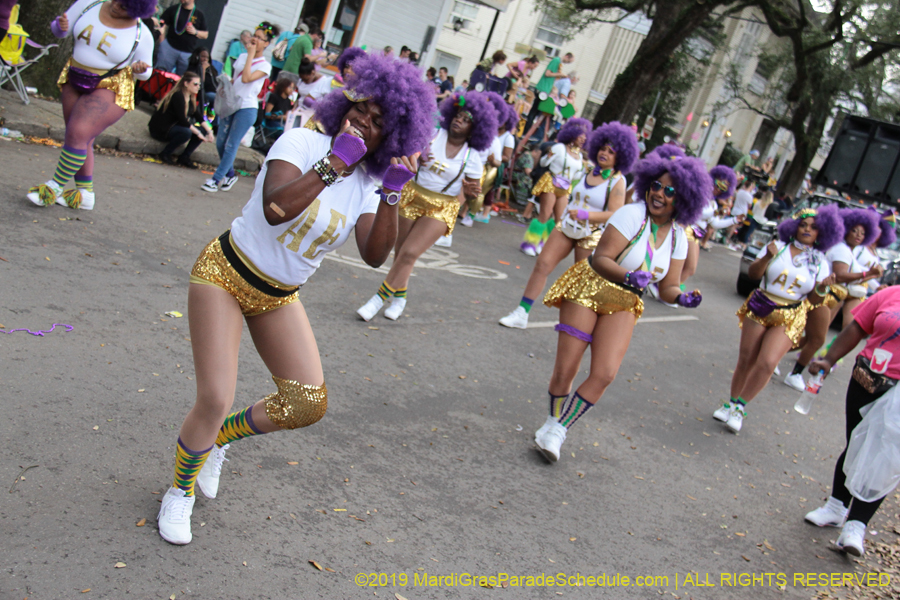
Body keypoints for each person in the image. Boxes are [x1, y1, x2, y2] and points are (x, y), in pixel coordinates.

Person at [156, 52, 435, 545]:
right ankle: (180, 492)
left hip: (278, 296)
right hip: (225, 273)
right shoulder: (304, 141)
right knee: (216, 396)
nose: (362, 122)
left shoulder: (369, 184)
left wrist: (393, 193)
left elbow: (374, 255)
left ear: (388, 138)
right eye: (359, 109)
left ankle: (219, 442)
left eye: (376, 122)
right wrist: (333, 165)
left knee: (306, 402)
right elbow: (276, 207)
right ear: (342, 103)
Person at [533, 152, 711, 462]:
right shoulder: (631, 214)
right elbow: (600, 259)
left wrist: (681, 297)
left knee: (604, 373)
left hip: (626, 300)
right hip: (590, 286)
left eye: (670, 191)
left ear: (684, 198)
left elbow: (667, 286)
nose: (659, 193)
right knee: (566, 368)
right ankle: (551, 422)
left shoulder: (679, 238)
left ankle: (560, 430)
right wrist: (629, 274)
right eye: (656, 185)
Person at [356, 92, 495, 322]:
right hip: (412, 195)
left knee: (410, 253)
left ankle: (377, 300)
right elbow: (407, 152)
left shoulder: (472, 158)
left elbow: (475, 199)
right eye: (458, 115)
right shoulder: (433, 135)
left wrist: (472, 196)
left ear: (475, 129)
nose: (459, 120)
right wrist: (417, 156)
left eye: (466, 119)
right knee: (401, 253)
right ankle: (400, 298)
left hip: (441, 208)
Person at [714, 206, 843, 433]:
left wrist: (823, 289)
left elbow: (812, 300)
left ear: (821, 233)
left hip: (790, 314)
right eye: (803, 225)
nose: (807, 229)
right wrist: (766, 257)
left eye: (813, 227)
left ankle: (740, 408)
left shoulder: (820, 262)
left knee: (767, 362)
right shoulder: (778, 248)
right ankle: (730, 403)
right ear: (793, 227)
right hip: (760, 305)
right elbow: (753, 275)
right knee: (747, 358)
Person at [500, 121, 639, 329]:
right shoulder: (587, 170)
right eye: (603, 148)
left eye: (611, 152)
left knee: (580, 282)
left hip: (591, 234)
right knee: (542, 265)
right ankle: (522, 312)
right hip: (567, 227)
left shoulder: (617, 181)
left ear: (621, 156)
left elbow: (615, 213)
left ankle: (577, 327)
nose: (605, 153)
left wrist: (586, 214)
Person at [27, 0, 155, 211]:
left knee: (79, 132)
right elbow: (60, 32)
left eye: (123, 6)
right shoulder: (89, 3)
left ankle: (53, 187)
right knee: (79, 137)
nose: (115, 5)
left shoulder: (142, 33)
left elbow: (147, 71)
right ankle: (85, 194)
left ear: (136, 10)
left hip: (110, 86)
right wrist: (59, 27)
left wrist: (140, 69)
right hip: (74, 76)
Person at [803, 285, 900, 556]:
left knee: (884, 457)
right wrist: (828, 359)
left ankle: (856, 526)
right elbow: (856, 328)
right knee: (856, 445)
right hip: (865, 381)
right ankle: (835, 507)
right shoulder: (890, 294)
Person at [784, 208, 884, 391]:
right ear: (845, 229)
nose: (858, 235)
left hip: (834, 297)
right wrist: (868, 273)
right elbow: (841, 275)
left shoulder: (849, 251)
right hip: (825, 296)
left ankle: (776, 359)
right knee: (815, 339)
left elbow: (853, 276)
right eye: (855, 230)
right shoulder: (841, 249)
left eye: (863, 233)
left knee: (810, 338)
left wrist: (873, 281)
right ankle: (792, 371)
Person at [201, 22, 279, 194]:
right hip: (231, 103)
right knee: (220, 141)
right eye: (255, 35)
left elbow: (246, 78)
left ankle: (215, 180)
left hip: (247, 108)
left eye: (260, 38)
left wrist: (250, 55)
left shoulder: (265, 65)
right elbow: (237, 79)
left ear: (266, 44)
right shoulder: (243, 57)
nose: (255, 39)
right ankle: (229, 174)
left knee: (231, 144)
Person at [520, 118, 591, 257]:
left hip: (565, 188)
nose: (583, 139)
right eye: (580, 135)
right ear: (572, 134)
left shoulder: (580, 155)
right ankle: (529, 243)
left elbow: (576, 176)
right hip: (551, 183)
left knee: (559, 220)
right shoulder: (559, 148)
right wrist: (549, 155)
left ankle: (542, 243)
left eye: (585, 136)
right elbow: (543, 162)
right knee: (544, 215)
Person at [680, 165, 739, 285]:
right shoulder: (700, 194)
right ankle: (666, 289)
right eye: (718, 184)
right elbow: (698, 213)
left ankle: (668, 287)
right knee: (689, 266)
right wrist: (716, 212)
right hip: (687, 230)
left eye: (723, 188)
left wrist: (735, 220)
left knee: (690, 269)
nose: (719, 189)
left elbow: (715, 224)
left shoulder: (713, 203)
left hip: (696, 234)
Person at [148, 71, 213, 168]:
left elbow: (198, 116)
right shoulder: (178, 96)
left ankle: (184, 157)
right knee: (187, 132)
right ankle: (165, 153)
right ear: (186, 83)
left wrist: (209, 131)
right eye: (195, 84)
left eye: (199, 84)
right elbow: (183, 120)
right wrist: (198, 133)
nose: (198, 87)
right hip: (161, 129)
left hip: (174, 127)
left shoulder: (190, 98)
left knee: (202, 130)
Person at [520, 52, 574, 151]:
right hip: (542, 89)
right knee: (536, 112)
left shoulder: (558, 63)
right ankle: (528, 133)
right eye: (568, 61)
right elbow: (548, 73)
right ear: (567, 56)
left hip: (545, 90)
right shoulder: (557, 60)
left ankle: (528, 133)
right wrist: (560, 74)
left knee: (536, 112)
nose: (567, 63)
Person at [157, 0, 207, 76]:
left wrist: (195, 32)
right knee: (161, 74)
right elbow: (162, 26)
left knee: (183, 79)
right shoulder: (173, 9)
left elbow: (205, 35)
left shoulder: (199, 14)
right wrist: (163, 43)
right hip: (169, 48)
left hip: (187, 53)